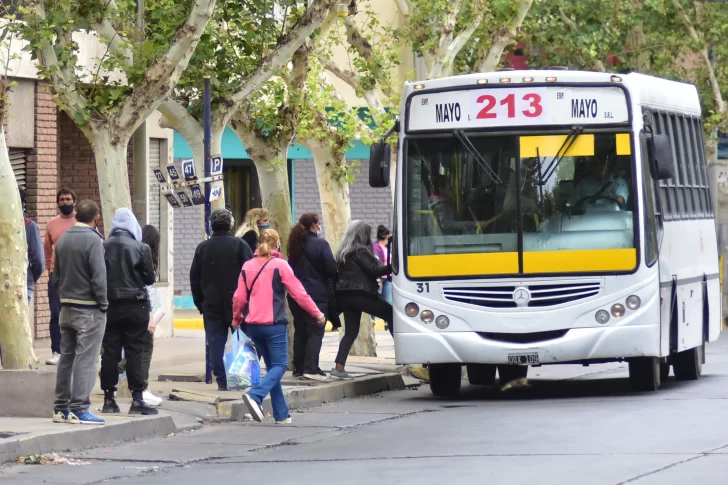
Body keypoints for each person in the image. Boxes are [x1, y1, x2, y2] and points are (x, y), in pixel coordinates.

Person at [232, 229, 325, 424]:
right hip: (274, 325)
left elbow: (239, 298)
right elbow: (299, 293)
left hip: (253, 326)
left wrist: (237, 318)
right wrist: (317, 313)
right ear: (278, 244)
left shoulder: (247, 266)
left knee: (273, 367)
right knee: (281, 365)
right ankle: (255, 395)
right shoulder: (280, 265)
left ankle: (282, 414)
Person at [52, 199, 107, 425]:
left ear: (76, 215)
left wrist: (63, 297)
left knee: (67, 358)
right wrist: (103, 303)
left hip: (66, 307)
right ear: (96, 218)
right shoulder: (94, 240)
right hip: (89, 309)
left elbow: (56, 276)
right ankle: (79, 408)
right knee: (86, 359)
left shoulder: (63, 239)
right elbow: (99, 276)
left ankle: (60, 408)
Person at [100, 208, 157, 415]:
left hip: (110, 306)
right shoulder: (142, 248)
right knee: (135, 352)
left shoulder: (103, 247)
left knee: (110, 353)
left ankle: (108, 399)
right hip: (136, 306)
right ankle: (137, 398)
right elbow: (150, 279)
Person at [190, 209, 253, 391]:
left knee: (215, 343)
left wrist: (199, 302)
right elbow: (250, 274)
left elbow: (194, 277)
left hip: (211, 304)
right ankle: (239, 378)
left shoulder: (203, 248)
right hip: (239, 304)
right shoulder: (240, 245)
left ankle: (222, 380)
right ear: (230, 224)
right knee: (240, 341)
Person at [332, 221, 393, 379]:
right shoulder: (360, 250)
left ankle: (339, 368)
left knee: (350, 333)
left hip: (345, 296)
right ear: (362, 234)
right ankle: (405, 352)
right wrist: (392, 266)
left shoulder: (343, 251)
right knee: (391, 313)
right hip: (361, 294)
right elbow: (374, 270)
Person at [286, 213, 337, 380]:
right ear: (314, 225)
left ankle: (298, 368)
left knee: (300, 331)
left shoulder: (294, 245)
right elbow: (331, 269)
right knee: (315, 332)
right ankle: (310, 369)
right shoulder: (321, 244)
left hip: (295, 295)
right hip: (316, 295)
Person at [0, 188, 44, 365]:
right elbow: (38, 259)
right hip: (22, 283)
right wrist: (31, 277)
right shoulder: (29, 226)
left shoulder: (27, 226)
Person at [44, 187, 78, 365]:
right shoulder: (52, 223)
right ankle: (57, 351)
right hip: (57, 276)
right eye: (62, 200)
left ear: (74, 202)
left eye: (68, 199)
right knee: (56, 313)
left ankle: (74, 351)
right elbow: (47, 248)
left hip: (78, 276)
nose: (65, 203)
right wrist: (50, 269)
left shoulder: (81, 221)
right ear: (58, 203)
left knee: (76, 313)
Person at [141, 225, 163, 406]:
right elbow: (146, 288)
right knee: (144, 349)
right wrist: (150, 315)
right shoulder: (146, 254)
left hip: (133, 308)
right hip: (143, 309)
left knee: (135, 348)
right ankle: (142, 388)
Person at [372, 225, 393, 306]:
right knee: (378, 302)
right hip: (381, 278)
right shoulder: (376, 247)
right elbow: (376, 262)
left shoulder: (386, 247)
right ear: (387, 236)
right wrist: (378, 280)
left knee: (388, 301)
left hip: (388, 277)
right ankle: (375, 318)